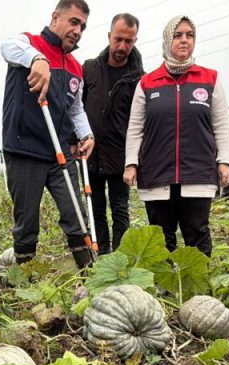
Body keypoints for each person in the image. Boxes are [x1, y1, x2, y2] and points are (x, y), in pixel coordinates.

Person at [124, 15, 229, 256]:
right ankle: (165, 280)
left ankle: (198, 279)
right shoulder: (147, 83)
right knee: (161, 239)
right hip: (157, 172)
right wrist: (131, 163)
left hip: (198, 172)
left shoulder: (210, 79)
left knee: (198, 234)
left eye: (189, 35)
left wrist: (224, 160)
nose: (184, 40)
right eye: (178, 35)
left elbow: (221, 123)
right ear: (167, 40)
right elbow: (135, 127)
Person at [0, 0, 96, 269]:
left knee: (75, 214)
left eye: (82, 26)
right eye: (73, 22)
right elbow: (6, 46)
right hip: (25, 148)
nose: (77, 31)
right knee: (27, 221)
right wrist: (37, 59)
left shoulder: (75, 67)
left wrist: (87, 134)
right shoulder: (29, 43)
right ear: (55, 18)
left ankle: (88, 273)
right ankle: (23, 278)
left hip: (60, 152)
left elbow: (76, 109)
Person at [82, 13, 143, 255]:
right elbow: (77, 107)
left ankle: (120, 257)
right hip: (91, 154)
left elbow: (141, 121)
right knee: (95, 208)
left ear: (135, 40)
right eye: (118, 39)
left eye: (128, 41)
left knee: (119, 208)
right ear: (109, 36)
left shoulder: (139, 79)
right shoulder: (89, 69)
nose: (122, 46)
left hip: (120, 155)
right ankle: (102, 255)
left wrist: (135, 160)